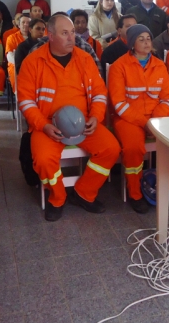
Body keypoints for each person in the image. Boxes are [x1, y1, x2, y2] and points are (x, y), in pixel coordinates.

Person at [17, 15, 120, 221]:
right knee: (44, 160)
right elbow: (26, 101)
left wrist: (96, 117)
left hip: (84, 124)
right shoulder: (33, 62)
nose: (71, 37)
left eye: (72, 32)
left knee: (111, 149)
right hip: (47, 126)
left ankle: (84, 193)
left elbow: (100, 93)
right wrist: (44, 126)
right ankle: (58, 198)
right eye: (65, 33)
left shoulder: (85, 59)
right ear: (50, 35)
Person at [108, 24, 169, 213]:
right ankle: (135, 193)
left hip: (158, 117)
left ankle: (168, 189)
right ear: (132, 43)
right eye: (140, 39)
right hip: (128, 119)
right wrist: (145, 123)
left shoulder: (160, 65)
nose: (146, 42)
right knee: (134, 148)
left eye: (148, 38)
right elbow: (118, 104)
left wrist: (155, 120)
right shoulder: (119, 66)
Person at [100, 14, 138, 79]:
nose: (133, 29)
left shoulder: (145, 48)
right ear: (119, 31)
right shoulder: (110, 52)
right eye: (128, 26)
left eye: (135, 26)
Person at [6, 15, 30, 86]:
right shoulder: (11, 38)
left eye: (28, 22)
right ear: (19, 25)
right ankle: (19, 95)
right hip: (15, 65)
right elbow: (10, 56)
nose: (26, 24)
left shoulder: (35, 38)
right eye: (23, 22)